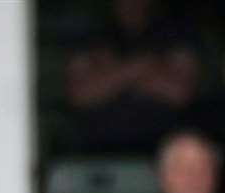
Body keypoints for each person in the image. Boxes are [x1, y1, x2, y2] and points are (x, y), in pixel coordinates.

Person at [65, 0, 207, 155]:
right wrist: (143, 67)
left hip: (163, 152)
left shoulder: (177, 32)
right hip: (98, 152)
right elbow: (81, 95)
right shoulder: (91, 34)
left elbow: (179, 93)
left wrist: (111, 72)